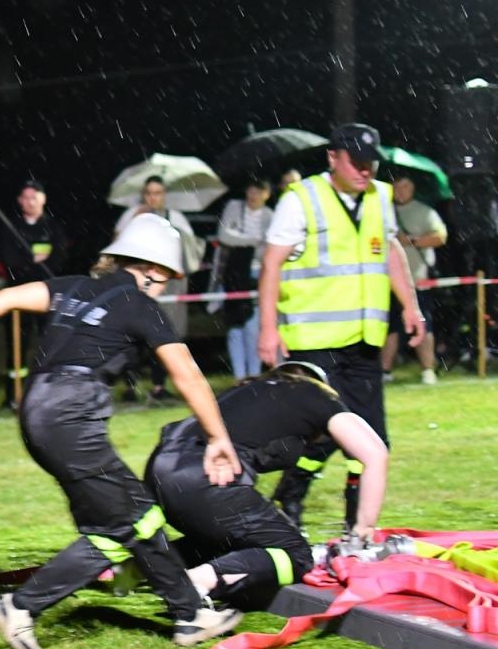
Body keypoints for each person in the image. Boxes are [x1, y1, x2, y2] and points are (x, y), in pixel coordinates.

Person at [0, 215, 245, 649]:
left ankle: (187, 612)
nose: (165, 287)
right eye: (167, 278)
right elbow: (187, 376)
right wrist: (218, 437)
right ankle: (22, 605)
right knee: (139, 516)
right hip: (71, 411)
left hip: (37, 406)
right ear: (153, 269)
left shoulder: (73, 287)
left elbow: (11, 295)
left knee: (116, 525)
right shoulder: (141, 303)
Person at [258, 123, 425, 532]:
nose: (365, 170)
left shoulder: (379, 197)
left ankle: (356, 529)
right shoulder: (301, 199)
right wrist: (267, 329)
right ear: (333, 157)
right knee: (324, 433)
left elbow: (389, 250)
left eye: (371, 163)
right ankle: (292, 492)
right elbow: (271, 264)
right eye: (356, 162)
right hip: (315, 341)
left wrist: (410, 305)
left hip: (365, 339)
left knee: (372, 441)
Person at [145, 361, 388, 611]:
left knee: (235, 538)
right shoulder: (316, 395)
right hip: (205, 475)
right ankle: (198, 583)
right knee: (297, 555)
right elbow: (375, 454)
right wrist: (362, 531)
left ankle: (148, 564)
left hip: (160, 471)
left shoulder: (247, 392)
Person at [113, 175, 204, 402]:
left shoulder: (176, 217)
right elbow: (117, 245)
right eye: (149, 193)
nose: (153, 198)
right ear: (144, 194)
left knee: (164, 335)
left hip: (168, 287)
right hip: (138, 285)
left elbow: (189, 250)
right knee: (132, 336)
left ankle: (158, 386)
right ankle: (131, 387)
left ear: (164, 195)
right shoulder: (132, 215)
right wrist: (135, 220)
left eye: (158, 193)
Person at [0, 181, 64, 404]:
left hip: (48, 295)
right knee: (17, 345)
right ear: (19, 200)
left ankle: (48, 393)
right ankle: (13, 395)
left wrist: (34, 262)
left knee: (50, 342)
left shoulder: (53, 228)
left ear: (43, 198)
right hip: (19, 295)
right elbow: (10, 262)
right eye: (25, 197)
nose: (30, 201)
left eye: (34, 196)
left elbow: (58, 260)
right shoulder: (11, 227)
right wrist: (33, 262)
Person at [381, 175, 448, 384]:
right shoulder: (383, 209)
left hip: (417, 280)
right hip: (386, 282)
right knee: (389, 327)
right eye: (397, 186)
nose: (401, 191)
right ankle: (384, 371)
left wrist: (410, 241)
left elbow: (440, 237)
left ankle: (427, 369)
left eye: (406, 186)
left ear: (413, 187)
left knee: (423, 324)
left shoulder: (424, 211)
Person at [214, 179, 274, 379]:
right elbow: (224, 236)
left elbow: (266, 250)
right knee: (234, 327)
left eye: (259, 191)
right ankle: (240, 378)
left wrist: (240, 240)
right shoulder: (233, 207)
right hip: (232, 275)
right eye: (251, 189)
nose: (254, 194)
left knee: (252, 328)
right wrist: (253, 241)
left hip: (257, 275)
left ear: (267, 194)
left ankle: (254, 376)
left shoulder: (270, 216)